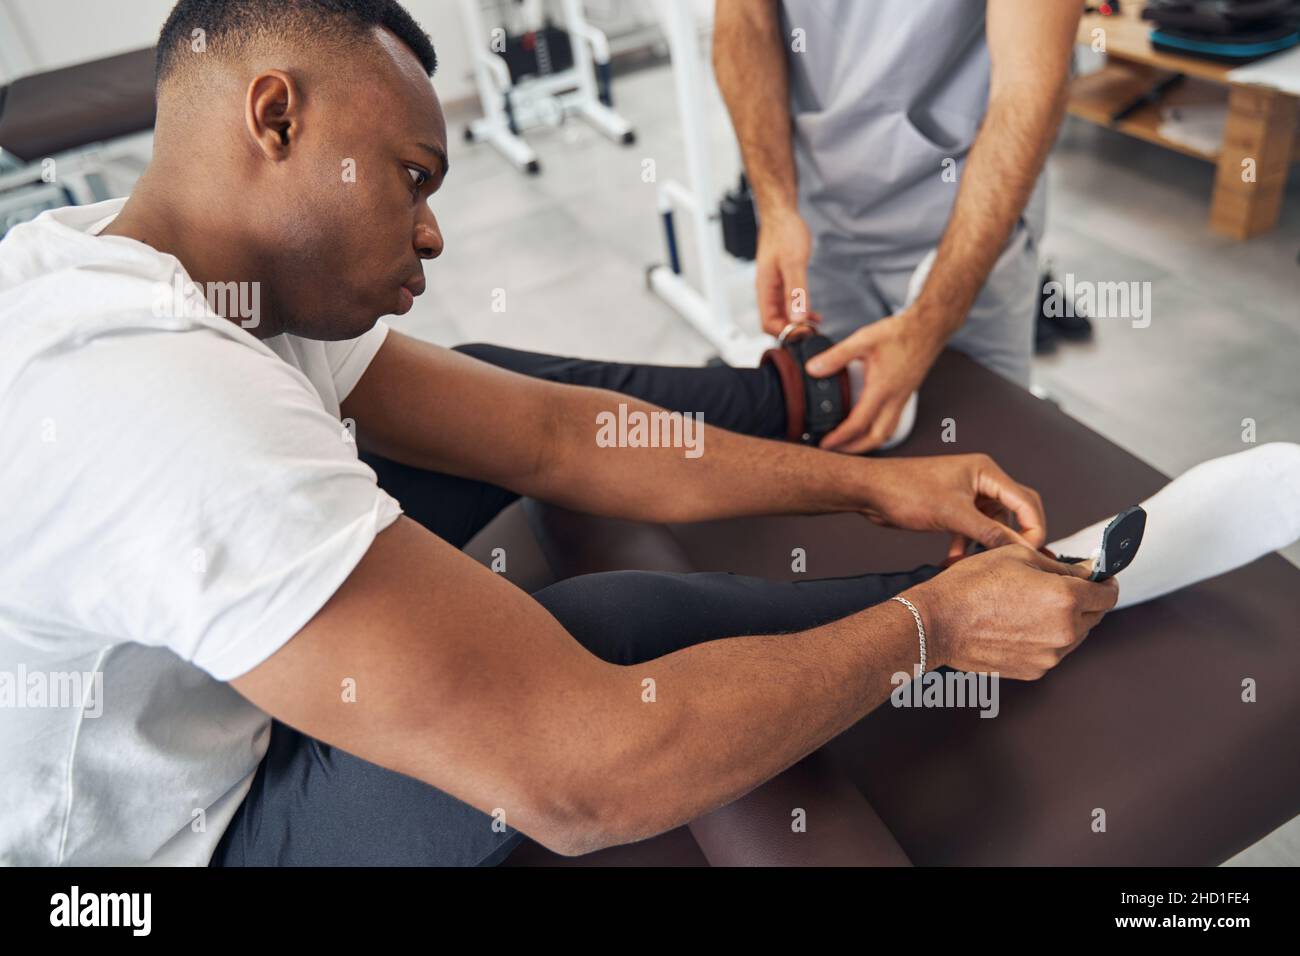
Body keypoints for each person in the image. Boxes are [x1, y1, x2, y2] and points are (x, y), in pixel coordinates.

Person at [0, 0, 1294, 868]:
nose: (439, 233)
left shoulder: (170, 264)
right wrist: (933, 635)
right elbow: (584, 782)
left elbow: (560, 441)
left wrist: (878, 493)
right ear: (274, 119)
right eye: (412, 179)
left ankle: (992, 586)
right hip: (161, 854)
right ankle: (980, 610)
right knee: (599, 651)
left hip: (198, 706)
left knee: (499, 418)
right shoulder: (158, 403)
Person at [714, 0, 1082, 452]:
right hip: (818, 216)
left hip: (966, 225)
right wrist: (775, 208)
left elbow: (1029, 85)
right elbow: (745, 21)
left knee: (977, 452)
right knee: (839, 442)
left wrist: (929, 322)